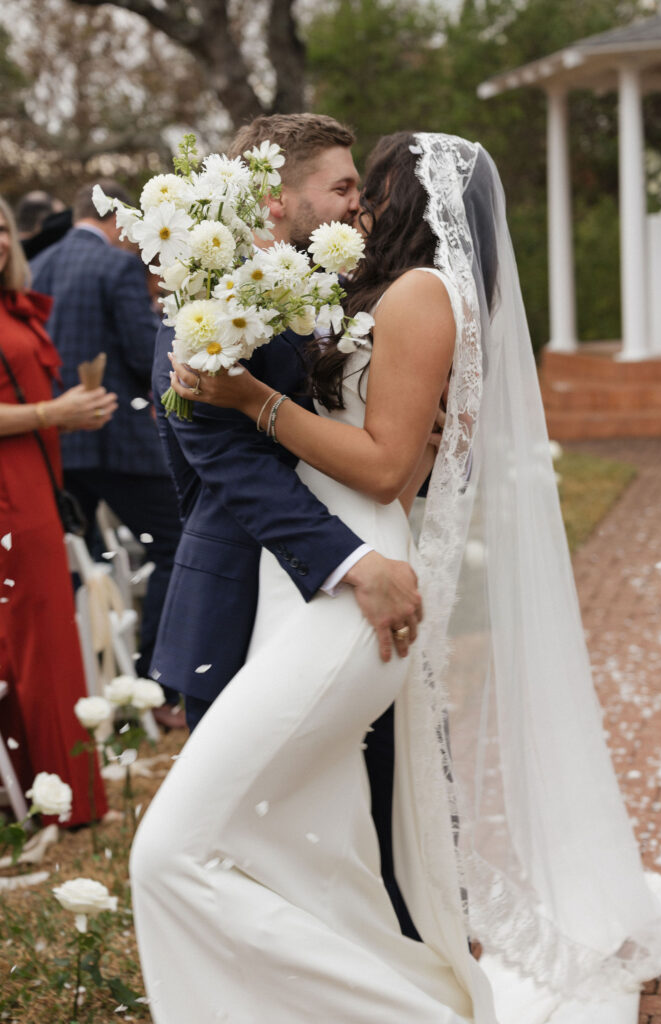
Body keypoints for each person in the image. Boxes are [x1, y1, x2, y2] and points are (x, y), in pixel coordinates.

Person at [131, 132, 661, 1023]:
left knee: (176, 852)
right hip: (310, 576)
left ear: (404, 193)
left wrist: (253, 402)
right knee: (319, 848)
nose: (358, 206)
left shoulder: (420, 293)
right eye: (346, 188)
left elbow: (387, 467)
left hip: (355, 572)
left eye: (366, 185)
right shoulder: (354, 295)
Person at [146, 113, 423, 936]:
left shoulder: (323, 288)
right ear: (275, 199)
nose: (356, 208)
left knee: (369, 831)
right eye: (339, 188)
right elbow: (222, 461)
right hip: (243, 601)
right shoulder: (207, 291)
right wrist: (349, 563)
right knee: (248, 853)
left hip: (331, 607)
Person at [30, 181, 183, 714]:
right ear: (119, 220)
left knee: (72, 564)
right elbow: (149, 355)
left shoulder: (38, 265)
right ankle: (153, 684)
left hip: (57, 443)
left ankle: (79, 685)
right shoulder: (118, 267)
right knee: (175, 544)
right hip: (119, 443)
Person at [0, 195, 115, 826]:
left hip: (36, 487)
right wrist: (50, 414)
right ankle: (57, 802)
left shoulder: (14, 303)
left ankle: (48, 792)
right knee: (35, 646)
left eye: (0, 225)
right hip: (8, 502)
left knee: (44, 644)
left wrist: (70, 413)